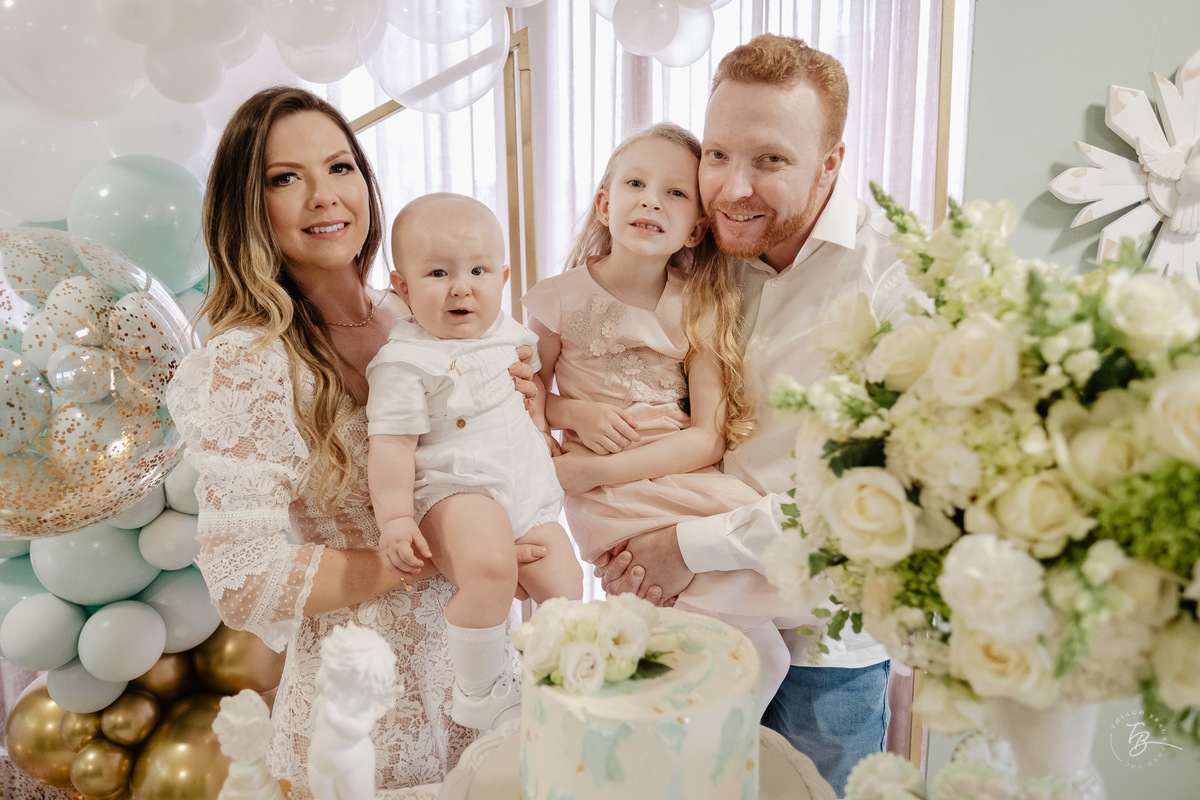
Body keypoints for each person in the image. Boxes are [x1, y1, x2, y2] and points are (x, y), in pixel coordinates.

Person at [165, 86, 546, 794]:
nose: (324, 196)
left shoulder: (416, 313)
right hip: (369, 705)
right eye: (285, 178)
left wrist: (529, 412)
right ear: (249, 207)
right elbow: (244, 582)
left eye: (340, 168)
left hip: (483, 667)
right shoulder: (249, 362)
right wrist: (438, 560)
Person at [594, 35, 913, 794]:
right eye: (718, 155)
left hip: (824, 650)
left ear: (830, 163)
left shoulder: (897, 280)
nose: (733, 188)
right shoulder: (693, 251)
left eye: (770, 160)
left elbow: (873, 495)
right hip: (693, 617)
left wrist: (684, 546)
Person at [522, 122, 801, 716]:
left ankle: (676, 738)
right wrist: (572, 413)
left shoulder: (698, 305)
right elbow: (524, 397)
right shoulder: (558, 299)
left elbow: (707, 438)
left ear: (696, 228)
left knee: (763, 644)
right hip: (613, 501)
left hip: (669, 477)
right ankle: (673, 737)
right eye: (636, 184)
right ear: (605, 204)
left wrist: (597, 469)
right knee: (748, 653)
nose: (652, 200)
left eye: (675, 193)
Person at [366, 192, 583, 730]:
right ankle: (479, 691)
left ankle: (555, 680)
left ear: (503, 278)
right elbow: (392, 445)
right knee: (489, 570)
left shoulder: (509, 334)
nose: (461, 287)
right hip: (456, 486)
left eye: (478, 271)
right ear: (402, 288)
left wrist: (542, 430)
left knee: (565, 579)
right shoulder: (404, 361)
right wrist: (395, 518)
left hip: (522, 488)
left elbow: (529, 395)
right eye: (438, 273)